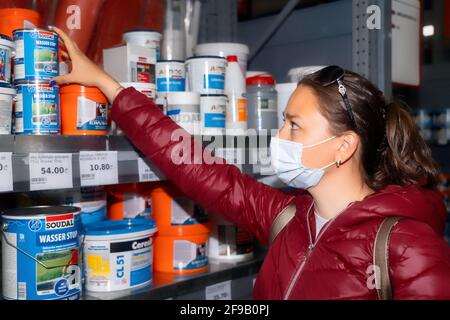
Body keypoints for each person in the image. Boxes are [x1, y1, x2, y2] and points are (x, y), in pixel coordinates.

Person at [50, 26, 450, 300]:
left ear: (342, 147)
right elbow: (196, 167)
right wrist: (109, 86)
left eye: (294, 126)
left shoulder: (405, 246)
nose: (279, 138)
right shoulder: (288, 216)